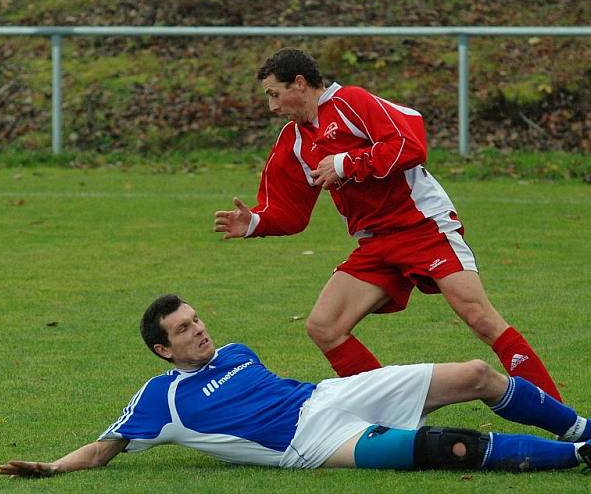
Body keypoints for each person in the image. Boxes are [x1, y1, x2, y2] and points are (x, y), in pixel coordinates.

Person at [214, 48, 563, 401]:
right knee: (325, 326)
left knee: (480, 318)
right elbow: (290, 212)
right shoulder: (294, 141)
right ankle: (394, 410)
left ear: (300, 84)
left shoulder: (351, 102)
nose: (272, 106)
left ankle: (565, 419)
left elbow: (410, 144)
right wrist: (256, 221)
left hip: (423, 227)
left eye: (274, 94)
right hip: (375, 244)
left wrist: (347, 163)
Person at [0, 294, 591, 478]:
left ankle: (589, 426)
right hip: (309, 446)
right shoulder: (158, 399)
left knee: (479, 375)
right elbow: (104, 447)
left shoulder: (236, 351)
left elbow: (288, 384)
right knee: (439, 448)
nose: (200, 331)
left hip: (326, 397)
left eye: (198, 319)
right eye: (184, 330)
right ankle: (586, 457)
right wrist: (51, 467)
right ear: (162, 347)